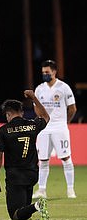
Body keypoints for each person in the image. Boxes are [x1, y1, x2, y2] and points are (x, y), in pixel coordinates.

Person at [0, 90, 50, 220]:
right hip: (32, 174)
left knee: (15, 215)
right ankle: (35, 206)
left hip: (15, 177)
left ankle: (38, 205)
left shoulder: (4, 130)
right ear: (22, 112)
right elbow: (46, 117)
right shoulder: (32, 125)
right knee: (24, 212)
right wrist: (34, 98)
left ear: (8, 114)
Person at [33, 60, 78, 199]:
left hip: (60, 127)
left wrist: (65, 122)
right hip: (45, 129)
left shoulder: (64, 87)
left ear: (54, 72)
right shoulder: (39, 88)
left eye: (47, 72)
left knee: (65, 157)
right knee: (43, 160)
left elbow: (72, 108)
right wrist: (42, 121)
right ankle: (42, 190)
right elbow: (36, 108)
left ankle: (70, 190)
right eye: (43, 73)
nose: (45, 74)